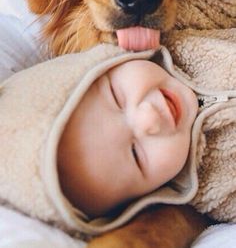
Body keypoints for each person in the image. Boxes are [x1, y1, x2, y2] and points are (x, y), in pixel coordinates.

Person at [0, 27, 235, 240]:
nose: (150, 118)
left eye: (117, 97)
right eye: (136, 154)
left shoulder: (185, 27)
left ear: (107, 61)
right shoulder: (219, 192)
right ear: (149, 197)